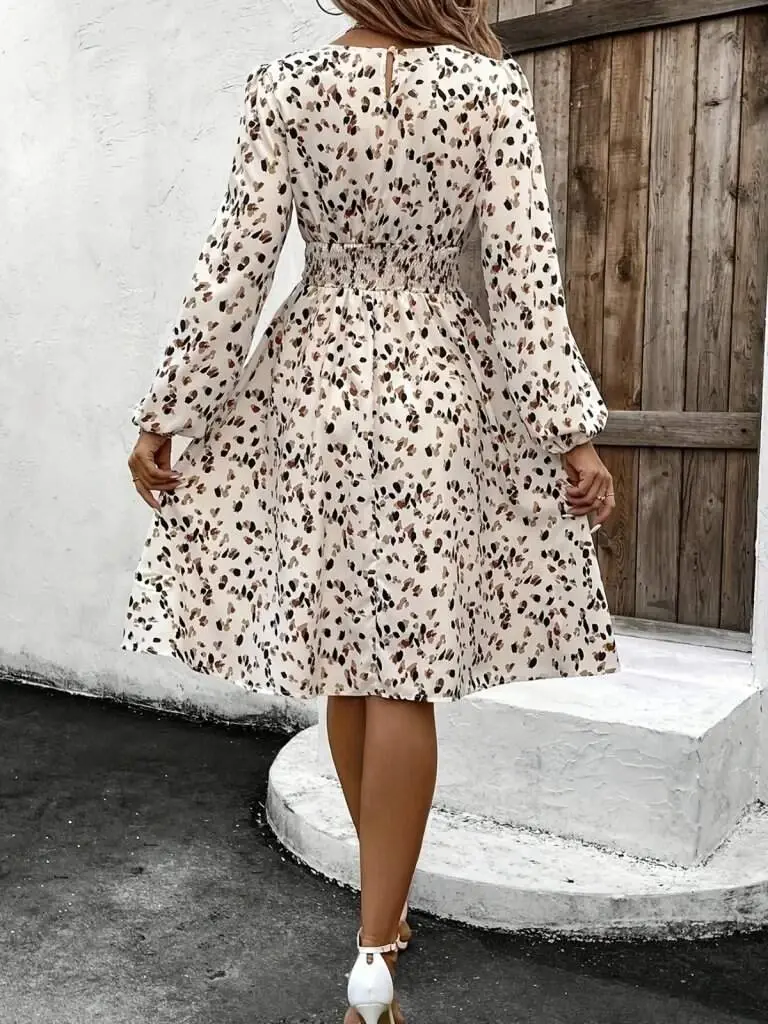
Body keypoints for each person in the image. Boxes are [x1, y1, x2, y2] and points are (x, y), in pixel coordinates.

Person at [123, 2, 620, 1021]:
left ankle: (378, 921)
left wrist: (168, 411)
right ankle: (376, 949)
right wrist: (572, 433)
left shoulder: (286, 89)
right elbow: (526, 287)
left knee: (349, 660)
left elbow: (234, 270)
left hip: (314, 383)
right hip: (435, 389)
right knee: (404, 673)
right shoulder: (487, 90)